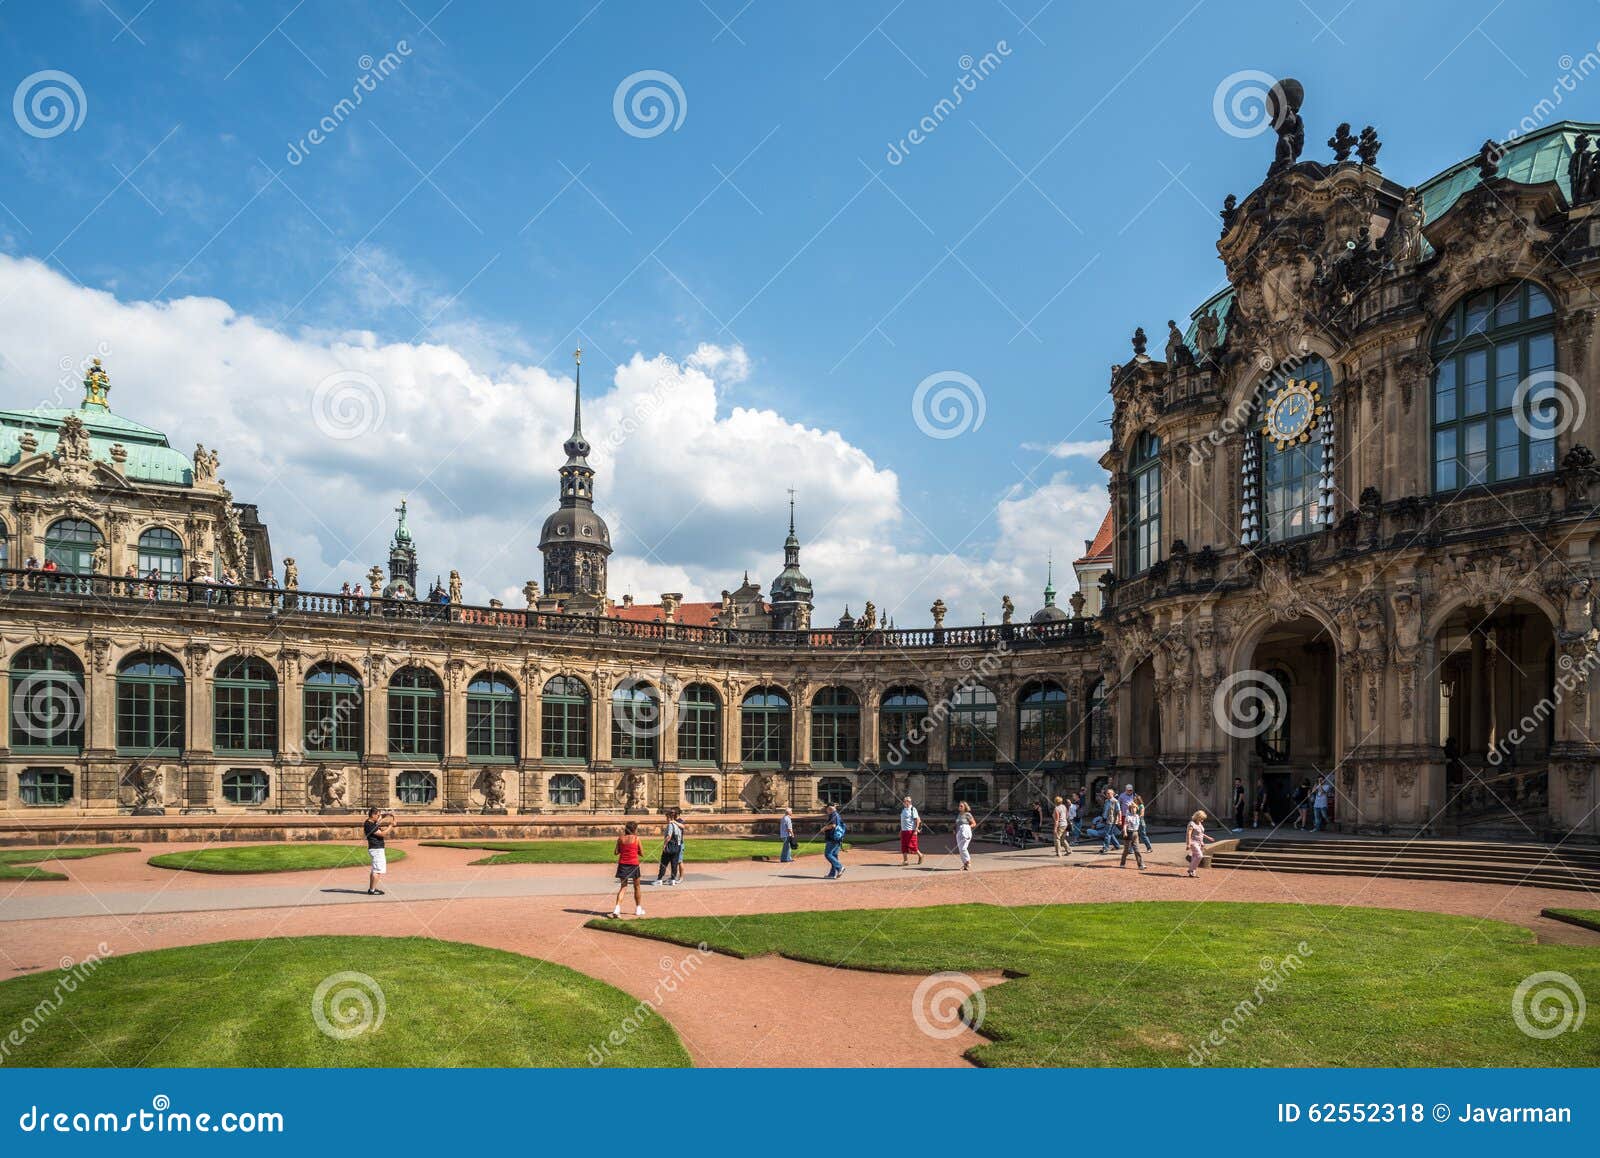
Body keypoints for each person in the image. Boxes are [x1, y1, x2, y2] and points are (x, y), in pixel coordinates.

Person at [610, 821, 646, 917]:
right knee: (637, 887)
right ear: (634, 829)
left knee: (623, 887)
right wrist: (635, 850)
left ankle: (617, 909)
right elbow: (642, 853)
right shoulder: (637, 839)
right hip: (634, 864)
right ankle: (638, 909)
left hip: (623, 864)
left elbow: (616, 852)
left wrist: (624, 849)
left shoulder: (620, 838)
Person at [362, 806, 395, 896]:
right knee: (377, 870)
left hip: (376, 848)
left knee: (375, 869)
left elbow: (380, 818)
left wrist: (387, 814)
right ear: (373, 815)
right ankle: (372, 890)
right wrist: (391, 826)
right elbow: (382, 834)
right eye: (377, 815)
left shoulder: (371, 822)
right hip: (376, 849)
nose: (379, 817)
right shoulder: (370, 825)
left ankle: (372, 888)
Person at [653, 809, 683, 886]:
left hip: (670, 846)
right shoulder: (677, 824)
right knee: (674, 864)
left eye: (666, 817)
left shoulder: (670, 825)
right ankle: (673, 880)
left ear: (669, 818)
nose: (666, 819)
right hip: (677, 846)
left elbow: (669, 836)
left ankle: (659, 879)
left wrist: (664, 845)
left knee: (663, 863)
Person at [1186, 810, 1216, 878]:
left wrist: (1208, 837)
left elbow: (1201, 833)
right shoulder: (1191, 823)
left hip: (1199, 842)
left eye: (1203, 818)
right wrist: (1188, 844)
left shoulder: (1199, 823)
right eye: (1201, 818)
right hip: (1193, 842)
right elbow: (1188, 834)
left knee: (1194, 856)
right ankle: (1190, 869)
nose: (1202, 820)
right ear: (1197, 817)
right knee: (1199, 856)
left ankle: (1193, 872)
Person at [1119, 798, 1146, 870]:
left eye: (1135, 808)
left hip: (1135, 833)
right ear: (1130, 809)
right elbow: (1125, 825)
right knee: (1126, 850)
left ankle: (1140, 865)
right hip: (1129, 833)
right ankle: (1122, 863)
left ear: (1136, 809)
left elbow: (1141, 814)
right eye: (1132, 808)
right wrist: (1125, 832)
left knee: (1137, 850)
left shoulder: (1137, 816)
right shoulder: (1128, 816)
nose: (1133, 809)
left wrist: (1141, 811)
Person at [899, 795, 924, 866]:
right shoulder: (903, 810)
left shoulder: (913, 809)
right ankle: (905, 861)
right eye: (904, 801)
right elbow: (903, 821)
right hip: (904, 830)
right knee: (904, 846)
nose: (904, 802)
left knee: (912, 846)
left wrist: (916, 829)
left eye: (905, 801)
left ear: (909, 802)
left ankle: (920, 855)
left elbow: (917, 820)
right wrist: (901, 830)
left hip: (911, 830)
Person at [822, 805, 846, 879]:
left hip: (832, 838)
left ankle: (840, 867)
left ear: (829, 809)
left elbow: (833, 825)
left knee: (828, 854)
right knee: (834, 856)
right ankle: (832, 874)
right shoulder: (837, 815)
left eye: (827, 809)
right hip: (838, 838)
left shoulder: (833, 815)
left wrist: (824, 828)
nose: (826, 811)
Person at [1098, 788, 1122, 853]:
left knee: (1107, 833)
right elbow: (1105, 810)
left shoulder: (1115, 801)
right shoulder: (1106, 801)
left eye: (1109, 793)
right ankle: (1117, 846)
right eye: (1106, 793)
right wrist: (1102, 818)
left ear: (1112, 794)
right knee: (1110, 833)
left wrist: (1119, 820)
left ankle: (1105, 847)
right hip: (1106, 819)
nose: (1107, 794)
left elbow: (1119, 811)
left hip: (1112, 820)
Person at [954, 801, 974, 870]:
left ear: (965, 807)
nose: (959, 807)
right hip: (959, 832)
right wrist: (955, 830)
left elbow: (974, 823)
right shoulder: (959, 814)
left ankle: (968, 861)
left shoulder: (968, 814)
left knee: (963, 848)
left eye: (961, 806)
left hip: (966, 832)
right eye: (959, 806)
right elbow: (957, 824)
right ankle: (965, 864)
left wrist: (967, 827)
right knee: (960, 849)